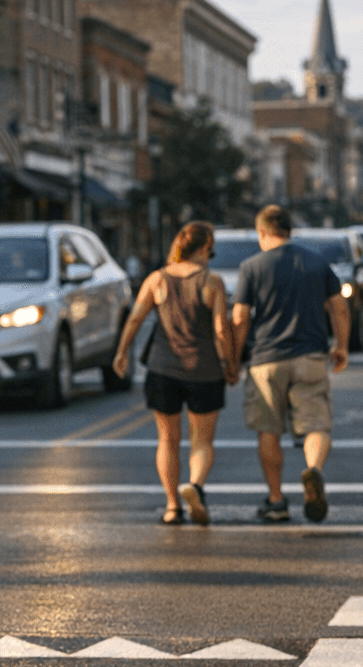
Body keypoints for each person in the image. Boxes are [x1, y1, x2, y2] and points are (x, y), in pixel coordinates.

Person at [112, 221, 236, 525]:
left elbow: (135, 319)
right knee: (202, 441)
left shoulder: (157, 279)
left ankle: (171, 506)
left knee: (167, 440)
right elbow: (221, 329)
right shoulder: (212, 281)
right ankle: (194, 487)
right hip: (205, 370)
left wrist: (121, 352)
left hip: (162, 369)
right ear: (206, 248)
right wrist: (230, 363)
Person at [231, 204, 349, 524]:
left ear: (262, 233)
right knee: (316, 424)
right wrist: (341, 346)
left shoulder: (251, 267)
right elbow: (339, 307)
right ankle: (313, 470)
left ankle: (276, 499)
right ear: (289, 231)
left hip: (266, 360)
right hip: (310, 355)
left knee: (268, 429)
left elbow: (240, 316)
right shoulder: (316, 262)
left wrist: (233, 357)